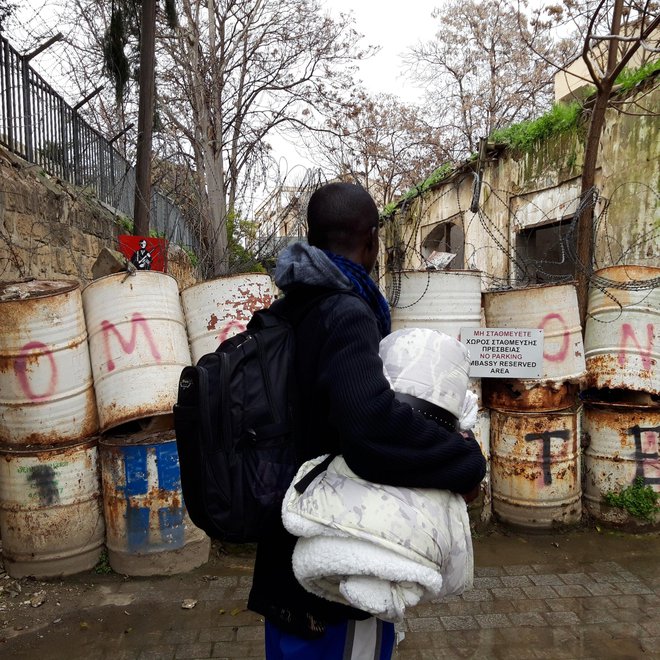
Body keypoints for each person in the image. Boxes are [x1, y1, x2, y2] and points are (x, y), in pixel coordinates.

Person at [247, 182, 486, 659]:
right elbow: (370, 429)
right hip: (336, 563)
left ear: (312, 239)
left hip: (284, 545)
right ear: (373, 240)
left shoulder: (287, 308)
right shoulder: (346, 311)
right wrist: (463, 460)